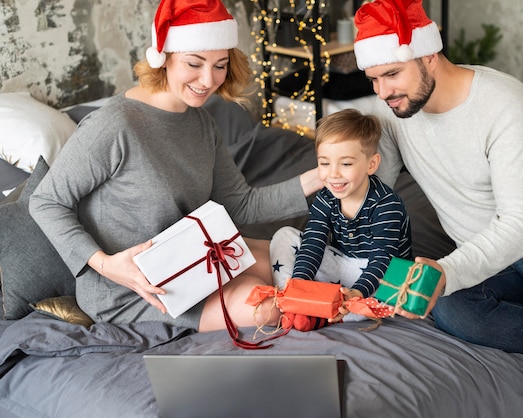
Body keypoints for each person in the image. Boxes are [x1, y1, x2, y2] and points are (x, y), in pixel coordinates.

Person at [352, 0, 523, 416]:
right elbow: (375, 195)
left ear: (429, 55)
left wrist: (449, 270)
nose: (383, 91)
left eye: (391, 74)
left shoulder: (503, 103)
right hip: (486, 255)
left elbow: (520, 224)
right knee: (446, 305)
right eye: (373, 79)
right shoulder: (394, 112)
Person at [29, 0, 321, 334]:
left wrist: (321, 175)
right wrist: (106, 264)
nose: (208, 80)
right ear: (163, 58)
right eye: (194, 63)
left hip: (193, 261)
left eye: (220, 65)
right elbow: (46, 201)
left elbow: (240, 203)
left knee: (306, 258)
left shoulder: (202, 122)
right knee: (267, 308)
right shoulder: (113, 126)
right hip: (132, 290)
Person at [269, 109, 412, 322]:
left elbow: (382, 260)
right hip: (343, 263)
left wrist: (357, 293)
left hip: (382, 275)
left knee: (392, 291)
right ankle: (295, 302)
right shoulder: (326, 198)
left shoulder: (386, 205)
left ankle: (331, 312)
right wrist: (300, 285)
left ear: (371, 164)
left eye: (345, 164)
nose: (334, 174)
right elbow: (313, 244)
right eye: (325, 163)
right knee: (285, 235)